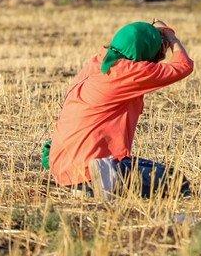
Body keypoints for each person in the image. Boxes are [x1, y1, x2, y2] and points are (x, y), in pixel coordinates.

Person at [47, 20, 193, 197]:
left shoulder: (98, 62)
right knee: (176, 180)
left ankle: (94, 181)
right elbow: (183, 66)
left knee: (149, 169)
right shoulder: (127, 71)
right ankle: (101, 182)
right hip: (89, 170)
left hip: (63, 167)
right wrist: (170, 36)